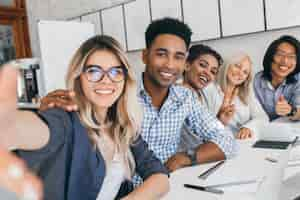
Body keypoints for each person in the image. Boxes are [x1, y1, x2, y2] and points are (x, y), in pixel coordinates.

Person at [39, 18, 237, 178]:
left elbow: (226, 140)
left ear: (185, 62)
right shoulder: (117, 91)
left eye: (178, 57)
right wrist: (54, 110)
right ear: (145, 56)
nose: (169, 64)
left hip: (165, 187)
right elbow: (80, 112)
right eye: (161, 54)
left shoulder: (185, 98)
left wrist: (185, 157)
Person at [0, 35, 169, 200]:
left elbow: (160, 178)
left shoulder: (122, 127)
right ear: (78, 77)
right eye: (94, 71)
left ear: (125, 79)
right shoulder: (64, 120)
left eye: (116, 72)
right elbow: (14, 127)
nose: (105, 80)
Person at [203, 52, 268, 139]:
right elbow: (203, 128)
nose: (240, 73)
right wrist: (219, 118)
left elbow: (262, 117)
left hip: (244, 141)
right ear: (227, 65)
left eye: (245, 72)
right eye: (237, 66)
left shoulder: (246, 92)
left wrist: (248, 127)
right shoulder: (209, 89)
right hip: (218, 142)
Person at [178, 44, 224, 152]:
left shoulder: (202, 95)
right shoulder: (178, 97)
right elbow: (195, 141)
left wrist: (221, 121)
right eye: (203, 65)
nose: (207, 72)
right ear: (187, 65)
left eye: (213, 71)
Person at [254, 35, 300, 121]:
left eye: (291, 57)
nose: (285, 61)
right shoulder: (257, 80)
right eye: (280, 54)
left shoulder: (298, 79)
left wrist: (291, 111)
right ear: (270, 56)